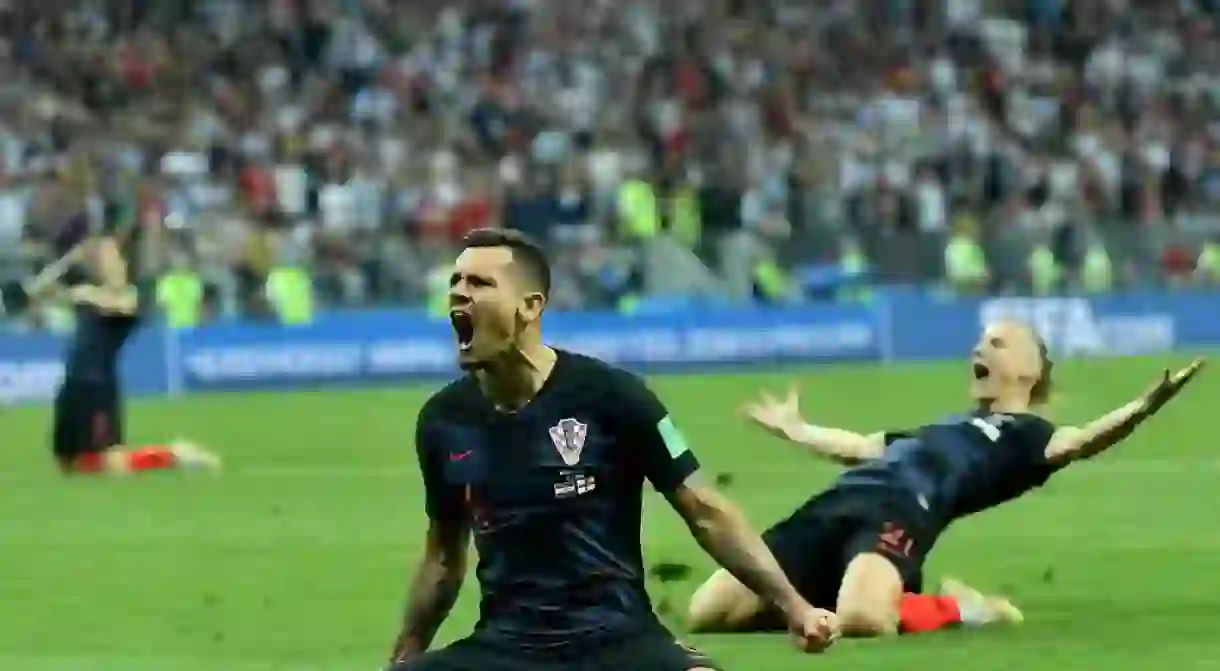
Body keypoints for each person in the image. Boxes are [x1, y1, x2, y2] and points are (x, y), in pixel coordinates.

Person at [387, 228, 839, 671]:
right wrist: (405, 654)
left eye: (480, 283)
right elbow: (444, 556)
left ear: (530, 307)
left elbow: (705, 510)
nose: (459, 294)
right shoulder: (443, 421)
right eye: (456, 282)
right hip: (508, 647)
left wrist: (795, 607)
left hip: (618, 639)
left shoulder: (611, 396)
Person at [685, 321, 1204, 638]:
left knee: (865, 622)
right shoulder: (940, 429)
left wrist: (1141, 408)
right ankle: (827, 596)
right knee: (706, 613)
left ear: (1028, 370)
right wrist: (798, 430)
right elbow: (864, 447)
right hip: (838, 501)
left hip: (901, 513)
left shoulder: (1029, 437)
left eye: (997, 343)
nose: (980, 350)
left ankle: (963, 608)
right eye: (979, 342)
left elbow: (1084, 440)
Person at [33, 221, 220, 475]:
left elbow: (120, 307)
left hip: (98, 388)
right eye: (100, 255)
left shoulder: (130, 295)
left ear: (122, 264)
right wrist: (67, 260)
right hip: (72, 385)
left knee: (114, 464)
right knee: (68, 466)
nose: (103, 259)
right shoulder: (86, 292)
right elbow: (36, 291)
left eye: (110, 255)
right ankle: (170, 455)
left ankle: (176, 454)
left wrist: (83, 295)